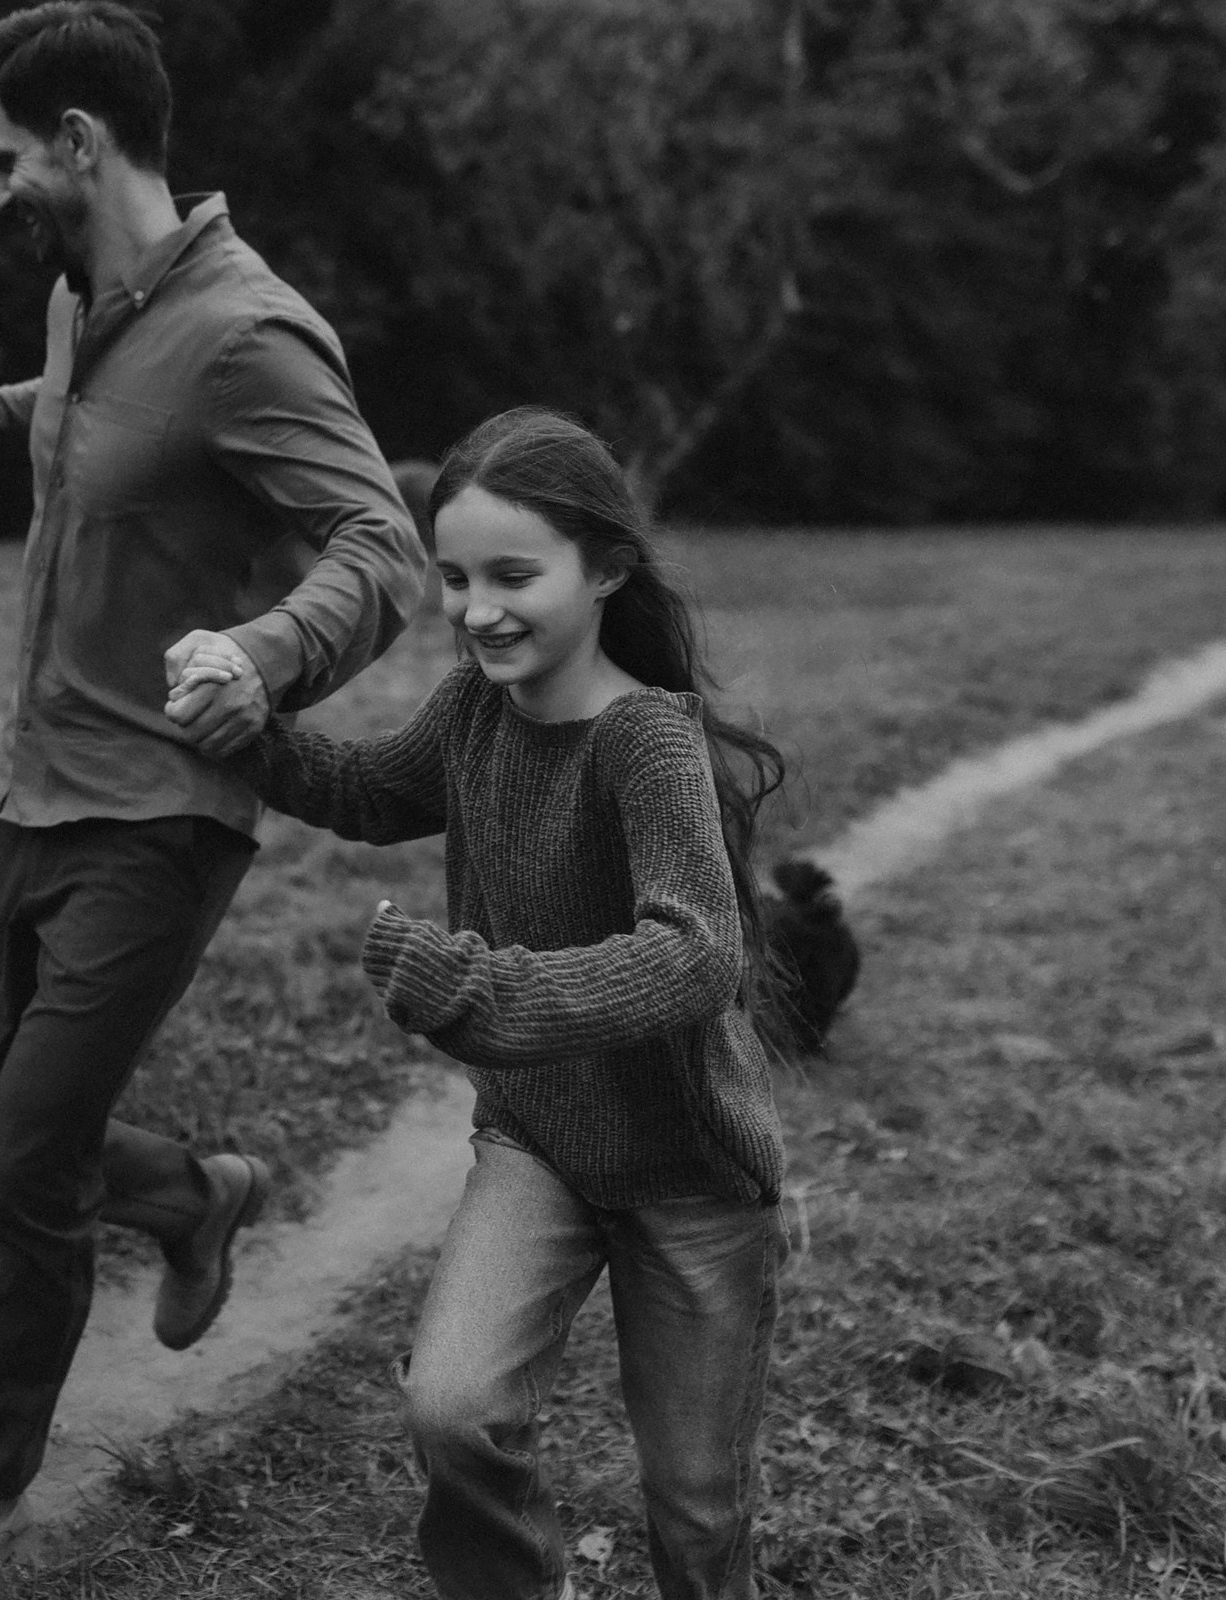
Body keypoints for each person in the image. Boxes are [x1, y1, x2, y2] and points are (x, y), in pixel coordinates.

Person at [0, 5, 425, 1591]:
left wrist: (262, 644)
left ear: (82, 143)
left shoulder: (250, 333)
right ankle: (195, 1192)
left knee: (25, 1159)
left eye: (5, 158)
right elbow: (85, 428)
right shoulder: (82, 302)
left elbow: (386, 549)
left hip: (163, 813)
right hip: (27, 790)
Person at [171, 407, 787, 1600]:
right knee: (453, 1408)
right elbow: (363, 788)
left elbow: (698, 950)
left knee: (698, 1507)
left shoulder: (645, 743)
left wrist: (497, 992)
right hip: (540, 1142)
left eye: (515, 575)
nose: (478, 608)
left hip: (691, 1175)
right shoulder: (475, 710)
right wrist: (255, 731)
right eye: (454, 577)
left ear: (606, 569)